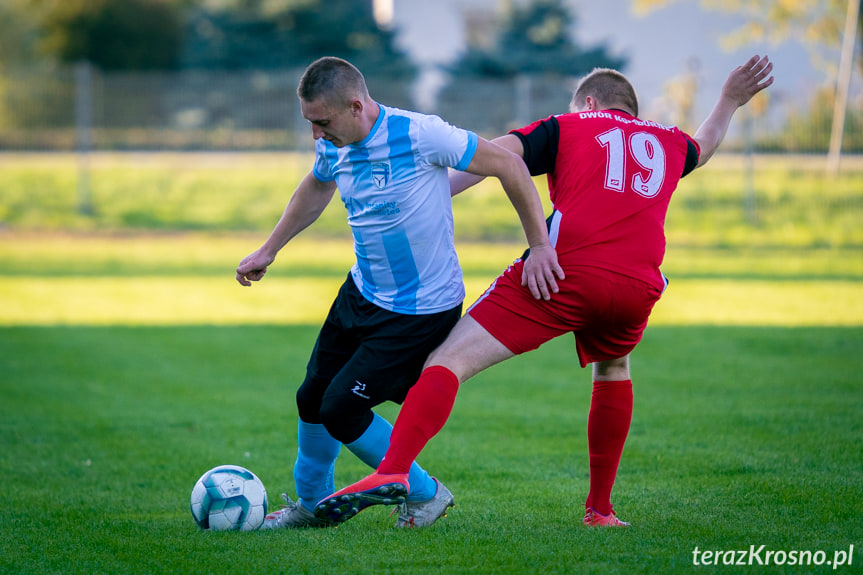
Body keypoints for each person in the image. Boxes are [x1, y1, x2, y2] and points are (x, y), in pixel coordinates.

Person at [314, 55, 775, 528]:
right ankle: (600, 510)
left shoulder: (569, 125)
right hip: (639, 285)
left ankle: (393, 471)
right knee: (613, 369)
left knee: (446, 360)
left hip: (563, 273)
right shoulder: (669, 142)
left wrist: (429, 191)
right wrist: (729, 99)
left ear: (589, 103)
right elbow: (706, 143)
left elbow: (498, 154)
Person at [234, 56, 561, 529]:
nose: (316, 136)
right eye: (309, 124)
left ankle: (425, 493)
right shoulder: (334, 142)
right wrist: (270, 249)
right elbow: (317, 186)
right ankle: (312, 507)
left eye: (322, 122)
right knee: (311, 398)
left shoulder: (420, 134)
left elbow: (510, 165)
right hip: (361, 292)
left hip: (419, 311)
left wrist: (539, 246)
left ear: (356, 105)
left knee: (342, 408)